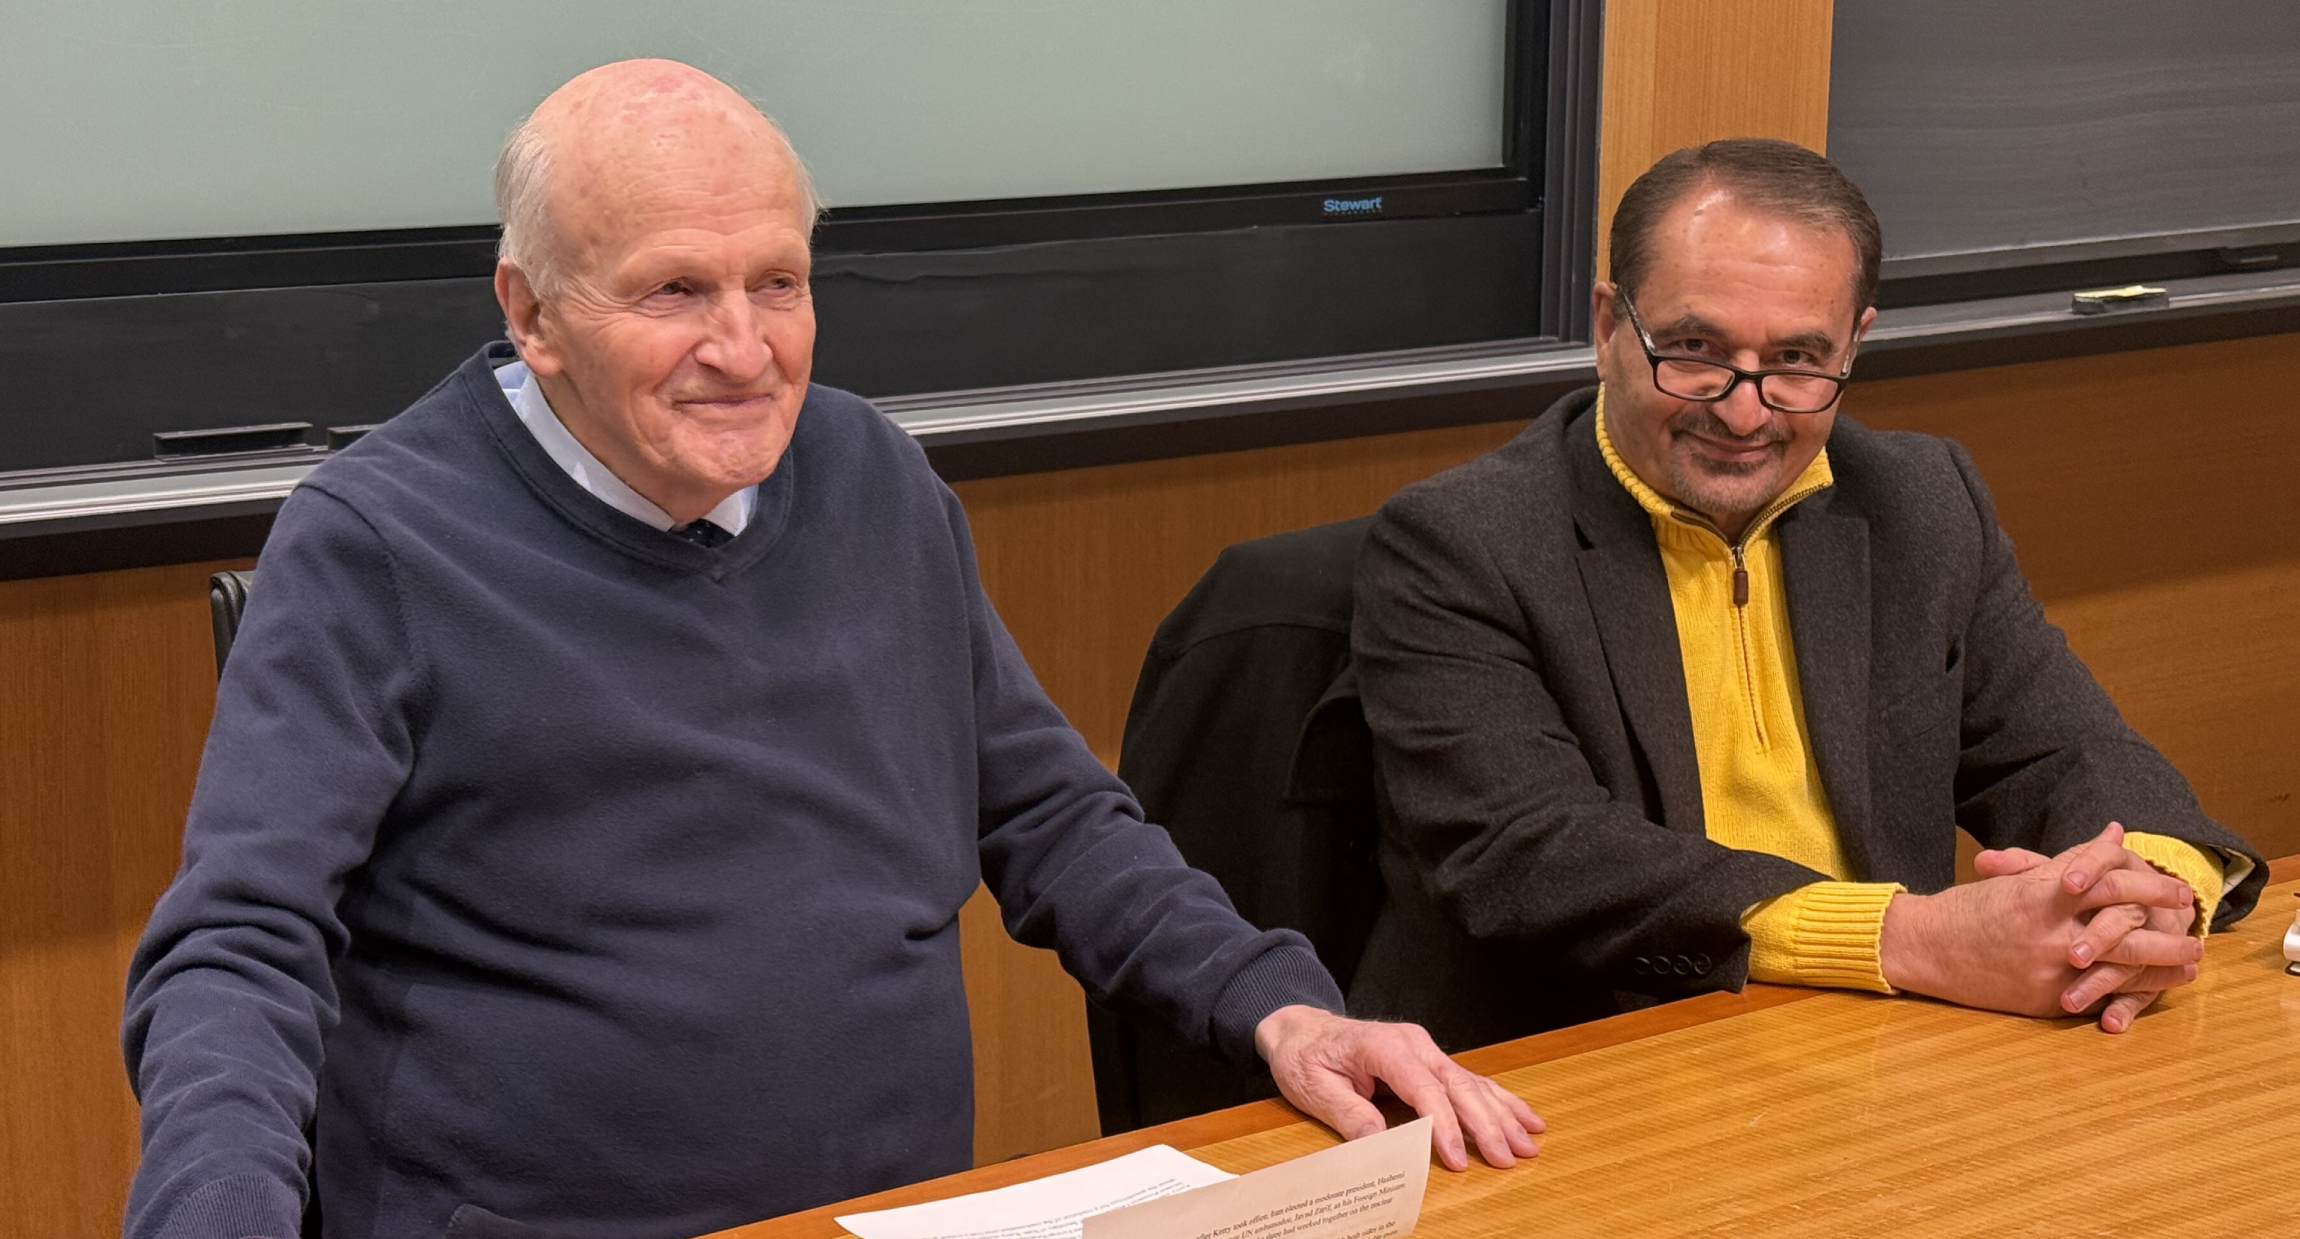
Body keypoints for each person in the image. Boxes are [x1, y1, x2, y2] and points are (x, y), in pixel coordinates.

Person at [120, 60, 1539, 1239]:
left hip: (895, 1212)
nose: (745, 350)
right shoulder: (375, 542)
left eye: (780, 283)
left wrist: (1278, 1007)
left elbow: (1051, 816)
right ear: (532, 313)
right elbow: (241, 944)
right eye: (675, 291)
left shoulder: (870, 475)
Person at [1344, 138, 2267, 1054]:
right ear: (1607, 327)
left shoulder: (1922, 503)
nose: (1744, 411)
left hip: (1872, 1042)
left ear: (1854, 344)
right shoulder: (1461, 542)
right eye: (1696, 349)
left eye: (1796, 359)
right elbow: (1533, 855)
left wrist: (2148, 891)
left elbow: (2064, 750)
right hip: (1583, 1059)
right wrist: (1913, 938)